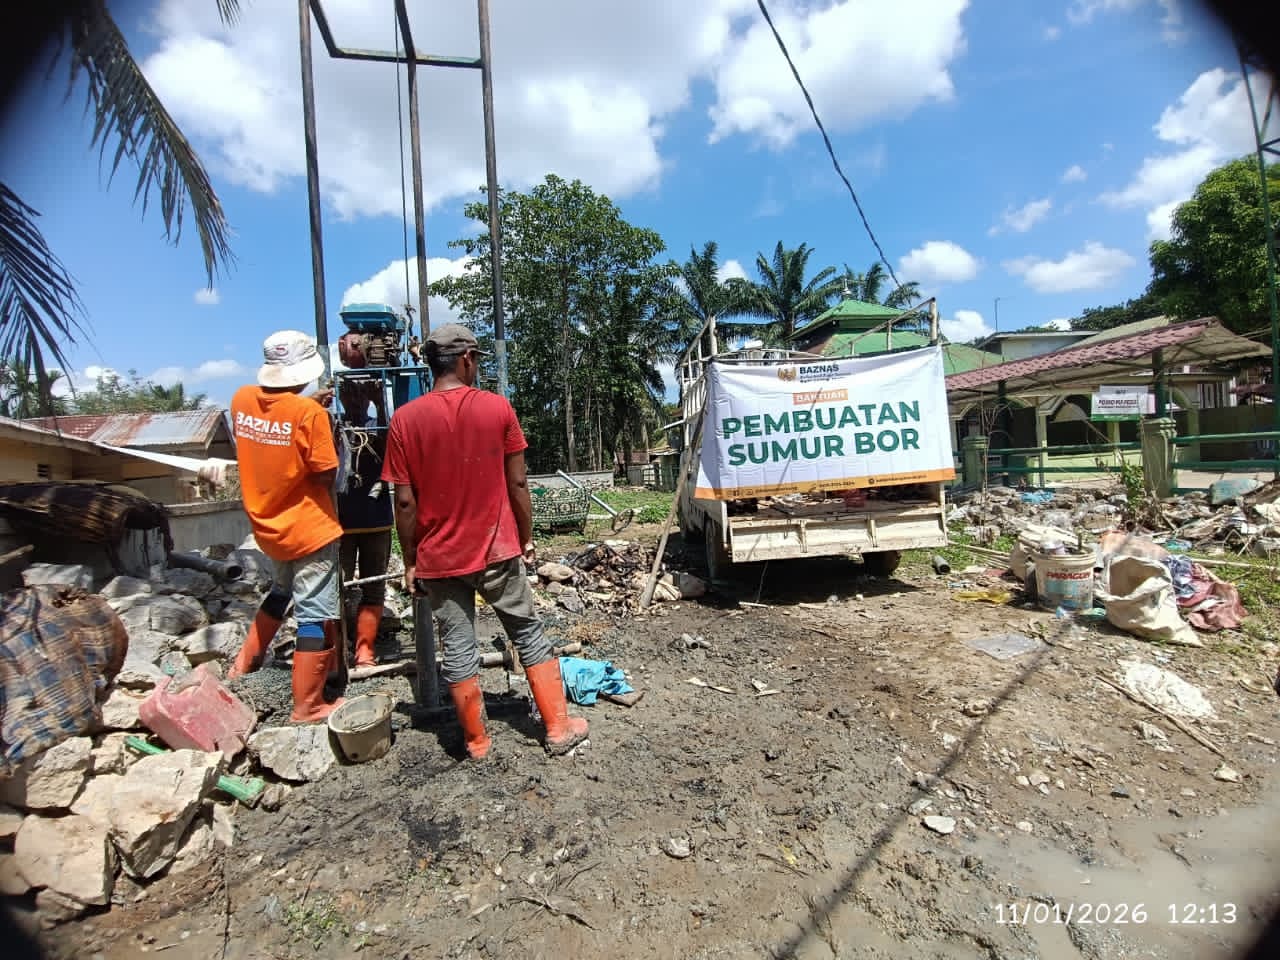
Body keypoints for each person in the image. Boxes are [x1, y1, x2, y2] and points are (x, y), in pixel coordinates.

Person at [381, 323, 588, 758]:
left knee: (457, 646)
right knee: (528, 632)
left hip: (438, 559)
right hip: (496, 551)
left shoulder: (404, 420)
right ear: (466, 360)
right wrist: (525, 537)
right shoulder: (498, 409)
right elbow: (518, 484)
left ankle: (477, 741)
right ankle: (557, 727)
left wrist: (411, 560)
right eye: (476, 360)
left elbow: (404, 502)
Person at [226, 330, 345, 723]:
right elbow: (327, 472)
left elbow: (275, 420)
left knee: (280, 594)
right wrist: (315, 415)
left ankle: (242, 666)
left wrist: (304, 408)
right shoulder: (310, 415)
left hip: (269, 529)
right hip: (309, 529)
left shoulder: (241, 400)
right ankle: (308, 705)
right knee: (313, 613)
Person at [334, 378, 394, 669]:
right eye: (349, 392)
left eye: (362, 393)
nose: (356, 399)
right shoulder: (334, 427)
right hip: (340, 523)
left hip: (376, 521)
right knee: (339, 587)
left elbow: (391, 446)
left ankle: (364, 649)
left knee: (374, 586)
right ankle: (341, 645)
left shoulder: (377, 426)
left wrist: (380, 403)